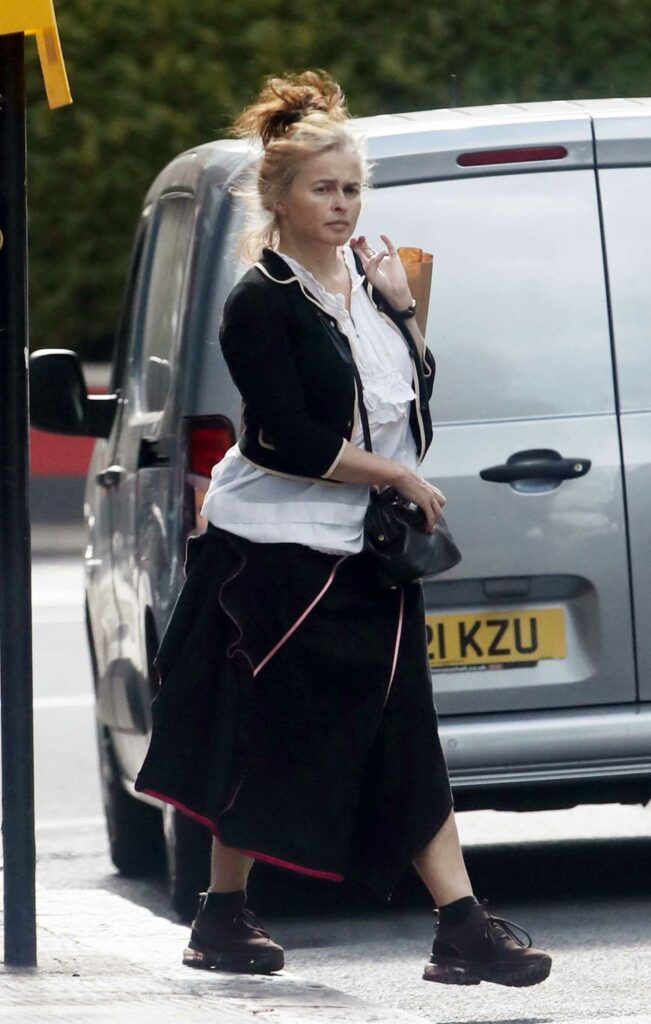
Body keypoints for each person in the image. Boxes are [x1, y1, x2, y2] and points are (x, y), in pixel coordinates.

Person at [134, 69, 552, 989]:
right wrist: (393, 475)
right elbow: (283, 436)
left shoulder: (369, 289)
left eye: (351, 188)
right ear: (277, 199)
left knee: (403, 728)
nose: (340, 203)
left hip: (365, 550)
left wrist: (403, 310)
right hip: (276, 554)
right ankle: (229, 912)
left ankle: (457, 925)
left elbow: (403, 407)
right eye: (322, 189)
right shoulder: (260, 302)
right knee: (264, 730)